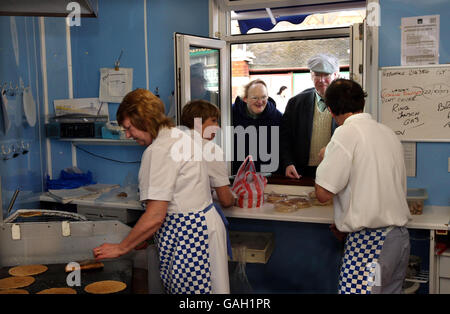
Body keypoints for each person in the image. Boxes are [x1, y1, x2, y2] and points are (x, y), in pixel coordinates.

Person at [93, 88, 229, 294]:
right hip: (199, 229)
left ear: (145, 121)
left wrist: (122, 247)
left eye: (129, 128)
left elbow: (156, 215)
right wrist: (143, 237)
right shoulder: (179, 136)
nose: (128, 135)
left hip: (189, 238)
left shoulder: (159, 150)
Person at [314, 79, 411, 294]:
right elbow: (369, 184)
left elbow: (323, 193)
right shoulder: (387, 133)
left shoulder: (345, 133)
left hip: (370, 243)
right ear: (362, 104)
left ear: (330, 109)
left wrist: (324, 157)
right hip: (399, 239)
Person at [280, 53, 339, 179]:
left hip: (335, 170)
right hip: (302, 173)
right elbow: (284, 138)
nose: (321, 80)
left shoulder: (346, 104)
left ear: (336, 75)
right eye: (317, 75)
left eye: (326, 74)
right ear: (311, 76)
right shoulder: (295, 103)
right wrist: (288, 163)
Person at [180, 99, 235, 208]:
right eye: (214, 120)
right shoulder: (211, 150)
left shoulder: (171, 144)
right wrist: (235, 199)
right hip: (198, 218)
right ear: (198, 122)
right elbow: (226, 200)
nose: (218, 127)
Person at [232, 79, 282, 174]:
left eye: (263, 97)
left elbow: (284, 146)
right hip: (237, 176)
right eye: (255, 98)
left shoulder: (278, 117)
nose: (260, 102)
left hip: (268, 177)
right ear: (245, 98)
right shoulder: (230, 115)